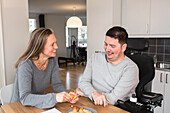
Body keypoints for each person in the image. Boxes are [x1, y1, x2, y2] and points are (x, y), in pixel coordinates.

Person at [11, 28, 78, 109]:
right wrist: (54, 97)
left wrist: (68, 96)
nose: (56, 47)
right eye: (52, 44)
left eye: (55, 43)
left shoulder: (52, 60)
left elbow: (57, 85)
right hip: (19, 107)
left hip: (39, 104)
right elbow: (25, 98)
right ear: (40, 46)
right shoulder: (25, 65)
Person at [76, 26, 139, 107]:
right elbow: (83, 82)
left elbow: (114, 99)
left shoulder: (131, 69)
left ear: (123, 47)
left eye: (112, 46)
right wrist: (93, 94)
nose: (107, 49)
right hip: (92, 103)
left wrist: (86, 93)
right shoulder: (95, 57)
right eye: (106, 44)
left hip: (116, 107)